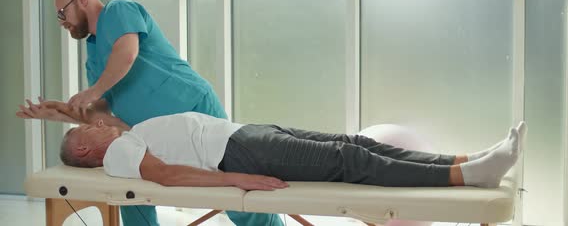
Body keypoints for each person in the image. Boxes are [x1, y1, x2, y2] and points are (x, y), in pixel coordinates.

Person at [46, 0, 282, 226]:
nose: (62, 22)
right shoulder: (93, 56)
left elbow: (126, 54)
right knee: (131, 194)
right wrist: (60, 113)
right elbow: (105, 114)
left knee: (232, 192)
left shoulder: (118, 10)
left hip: (192, 109)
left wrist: (93, 91)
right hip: (147, 134)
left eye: (62, 12)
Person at [18, 100, 526, 189]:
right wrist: (234, 180)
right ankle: (466, 176)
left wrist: (62, 111)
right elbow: (168, 176)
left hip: (243, 133)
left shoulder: (122, 136)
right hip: (238, 154)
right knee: (349, 160)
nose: (100, 126)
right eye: (90, 132)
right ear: (84, 151)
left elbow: (98, 114)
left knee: (352, 141)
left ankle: (468, 159)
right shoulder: (120, 155)